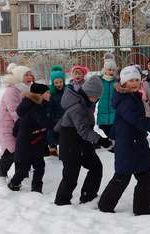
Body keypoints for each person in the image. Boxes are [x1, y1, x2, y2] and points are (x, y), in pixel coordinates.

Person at [98, 66, 150, 214]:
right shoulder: (126, 100)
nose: (135, 83)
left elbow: (122, 122)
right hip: (129, 145)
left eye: (137, 79)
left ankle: (136, 208)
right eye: (130, 80)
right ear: (123, 83)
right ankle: (108, 206)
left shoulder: (131, 96)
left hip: (133, 143)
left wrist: (114, 137)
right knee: (127, 176)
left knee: (142, 175)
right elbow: (139, 120)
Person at [54, 75, 111, 206]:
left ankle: (88, 196)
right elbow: (83, 130)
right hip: (70, 141)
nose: (96, 100)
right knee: (71, 175)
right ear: (87, 93)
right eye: (95, 96)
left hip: (82, 141)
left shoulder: (87, 102)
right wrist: (100, 140)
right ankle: (61, 202)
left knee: (96, 166)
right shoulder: (77, 107)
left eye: (98, 97)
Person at [8, 83, 51, 193]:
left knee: (38, 166)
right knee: (25, 168)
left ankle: (35, 188)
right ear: (40, 94)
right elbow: (45, 122)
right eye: (47, 92)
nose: (49, 94)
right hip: (28, 143)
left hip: (32, 142)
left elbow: (17, 126)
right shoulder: (36, 107)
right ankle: (14, 184)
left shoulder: (30, 104)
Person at [0, 63, 34, 178]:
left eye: (30, 74)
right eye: (26, 75)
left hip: (20, 126)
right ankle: (2, 174)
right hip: (7, 127)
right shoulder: (12, 91)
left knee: (22, 151)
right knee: (11, 152)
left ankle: (21, 174)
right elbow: (15, 111)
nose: (30, 77)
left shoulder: (26, 89)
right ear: (18, 77)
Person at [97, 58, 118, 141]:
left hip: (113, 108)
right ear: (105, 70)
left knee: (113, 127)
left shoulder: (116, 81)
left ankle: (113, 141)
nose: (111, 72)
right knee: (103, 126)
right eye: (109, 70)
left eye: (113, 70)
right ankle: (111, 139)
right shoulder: (100, 81)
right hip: (103, 108)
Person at [47, 65, 66, 156]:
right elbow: (49, 105)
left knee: (64, 135)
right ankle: (52, 147)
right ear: (53, 83)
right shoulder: (51, 93)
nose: (59, 84)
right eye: (56, 82)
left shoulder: (67, 91)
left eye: (60, 82)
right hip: (54, 117)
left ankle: (64, 150)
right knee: (52, 132)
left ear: (63, 81)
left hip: (65, 117)